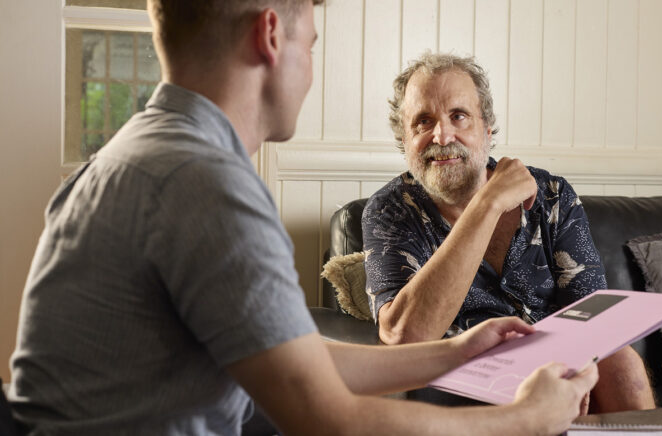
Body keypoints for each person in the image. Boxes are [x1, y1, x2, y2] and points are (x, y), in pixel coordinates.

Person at [8, 1, 599, 435]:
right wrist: (527, 419)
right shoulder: (207, 185)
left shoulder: (128, 157)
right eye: (311, 44)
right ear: (270, 33)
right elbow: (328, 420)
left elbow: (299, 360)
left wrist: (457, 352)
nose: (310, 68)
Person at [362, 52, 654, 413]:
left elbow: (593, 314)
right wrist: (488, 204)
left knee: (622, 362)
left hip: (557, 360)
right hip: (466, 373)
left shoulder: (552, 195)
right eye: (423, 122)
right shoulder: (390, 210)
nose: (442, 135)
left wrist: (576, 367)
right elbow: (404, 338)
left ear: (486, 129)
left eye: (458, 116)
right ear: (404, 140)